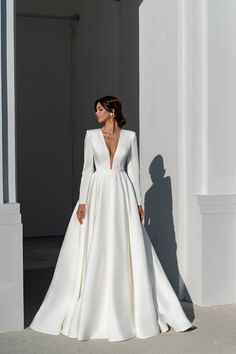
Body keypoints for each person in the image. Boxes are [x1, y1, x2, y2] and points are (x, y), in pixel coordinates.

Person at [29, 95, 194, 341]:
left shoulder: (130, 137)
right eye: (95, 109)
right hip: (97, 193)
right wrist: (83, 201)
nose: (96, 113)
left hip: (122, 193)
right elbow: (87, 170)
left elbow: (133, 170)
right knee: (96, 242)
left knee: (122, 243)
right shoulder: (91, 136)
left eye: (99, 109)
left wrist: (138, 202)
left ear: (112, 111)